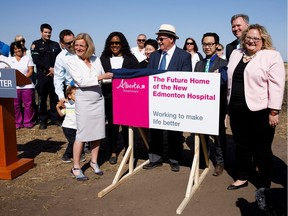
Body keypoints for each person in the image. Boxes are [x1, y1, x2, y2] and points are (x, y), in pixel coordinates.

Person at [226, 24, 285, 190]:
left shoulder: (271, 56)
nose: (251, 41)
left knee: (262, 149)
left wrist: (274, 111)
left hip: (260, 111)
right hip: (236, 109)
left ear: (263, 40)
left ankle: (264, 183)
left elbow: (276, 85)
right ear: (243, 38)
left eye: (256, 38)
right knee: (241, 145)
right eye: (248, 37)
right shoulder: (236, 54)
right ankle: (242, 177)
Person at [143, 24, 192, 172]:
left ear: (171, 39)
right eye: (158, 38)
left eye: (162, 38)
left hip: (174, 102)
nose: (159, 41)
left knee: (174, 132)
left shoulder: (184, 56)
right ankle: (155, 159)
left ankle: (174, 159)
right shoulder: (155, 55)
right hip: (156, 100)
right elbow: (148, 75)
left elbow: (186, 79)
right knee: (155, 130)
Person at [66, 33, 113, 181]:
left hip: (98, 99)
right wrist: (101, 77)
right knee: (82, 134)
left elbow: (102, 79)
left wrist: (111, 78)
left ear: (88, 46)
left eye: (81, 45)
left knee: (97, 132)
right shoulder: (71, 61)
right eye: (76, 45)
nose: (78, 48)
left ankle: (94, 161)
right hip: (84, 101)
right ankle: (76, 167)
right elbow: (80, 81)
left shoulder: (95, 59)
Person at [100, 31, 140, 165]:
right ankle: (113, 151)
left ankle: (129, 151)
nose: (115, 45)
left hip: (126, 98)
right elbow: (98, 76)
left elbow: (137, 76)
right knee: (111, 126)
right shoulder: (103, 59)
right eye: (112, 43)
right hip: (109, 97)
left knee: (127, 126)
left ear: (122, 44)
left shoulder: (130, 58)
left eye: (117, 43)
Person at [194, 33, 228, 176]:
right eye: (205, 44)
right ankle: (204, 159)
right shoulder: (198, 64)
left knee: (219, 135)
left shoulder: (223, 64)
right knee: (203, 133)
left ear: (217, 45)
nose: (207, 47)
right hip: (201, 105)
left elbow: (224, 84)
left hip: (218, 106)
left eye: (210, 44)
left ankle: (219, 162)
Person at [31, 23, 61, 129]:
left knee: (54, 97)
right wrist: (49, 68)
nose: (48, 34)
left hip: (54, 75)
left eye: (49, 32)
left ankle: (55, 118)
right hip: (42, 75)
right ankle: (43, 120)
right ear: (41, 32)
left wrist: (54, 70)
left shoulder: (55, 45)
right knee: (42, 98)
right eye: (46, 32)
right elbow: (36, 60)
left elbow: (60, 59)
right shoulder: (36, 44)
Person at [9, 41, 35, 129]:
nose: (18, 50)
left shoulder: (27, 58)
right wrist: (16, 81)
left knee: (28, 105)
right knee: (16, 105)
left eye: (19, 48)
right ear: (13, 50)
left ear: (22, 48)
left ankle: (28, 122)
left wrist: (22, 80)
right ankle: (18, 122)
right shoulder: (10, 60)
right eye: (15, 49)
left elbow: (30, 71)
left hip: (27, 85)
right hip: (15, 86)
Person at [56, 86, 86, 163]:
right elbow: (61, 114)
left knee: (79, 140)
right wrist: (57, 108)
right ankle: (66, 155)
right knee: (73, 141)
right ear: (69, 96)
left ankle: (79, 154)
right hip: (68, 127)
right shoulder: (67, 105)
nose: (77, 96)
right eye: (75, 94)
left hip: (77, 127)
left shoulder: (81, 104)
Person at [53, 29, 75, 104]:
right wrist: (61, 97)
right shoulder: (60, 58)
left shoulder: (83, 51)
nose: (72, 44)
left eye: (73, 41)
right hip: (71, 91)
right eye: (68, 43)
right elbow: (58, 78)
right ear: (62, 43)